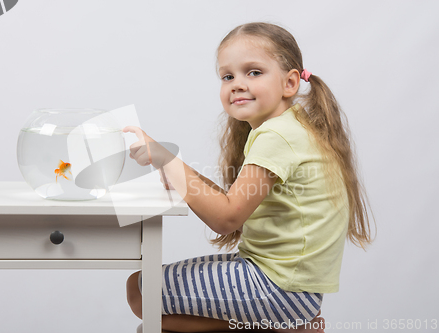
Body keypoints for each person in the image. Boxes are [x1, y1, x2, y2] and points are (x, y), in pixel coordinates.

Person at [123, 22, 373, 332]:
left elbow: (226, 218)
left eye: (253, 72)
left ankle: (287, 328)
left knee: (140, 292)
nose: (237, 84)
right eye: (228, 76)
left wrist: (168, 159)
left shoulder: (277, 136)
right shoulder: (291, 126)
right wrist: (171, 166)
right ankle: (288, 327)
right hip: (293, 290)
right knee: (145, 301)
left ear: (290, 83)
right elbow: (232, 206)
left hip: (279, 290)